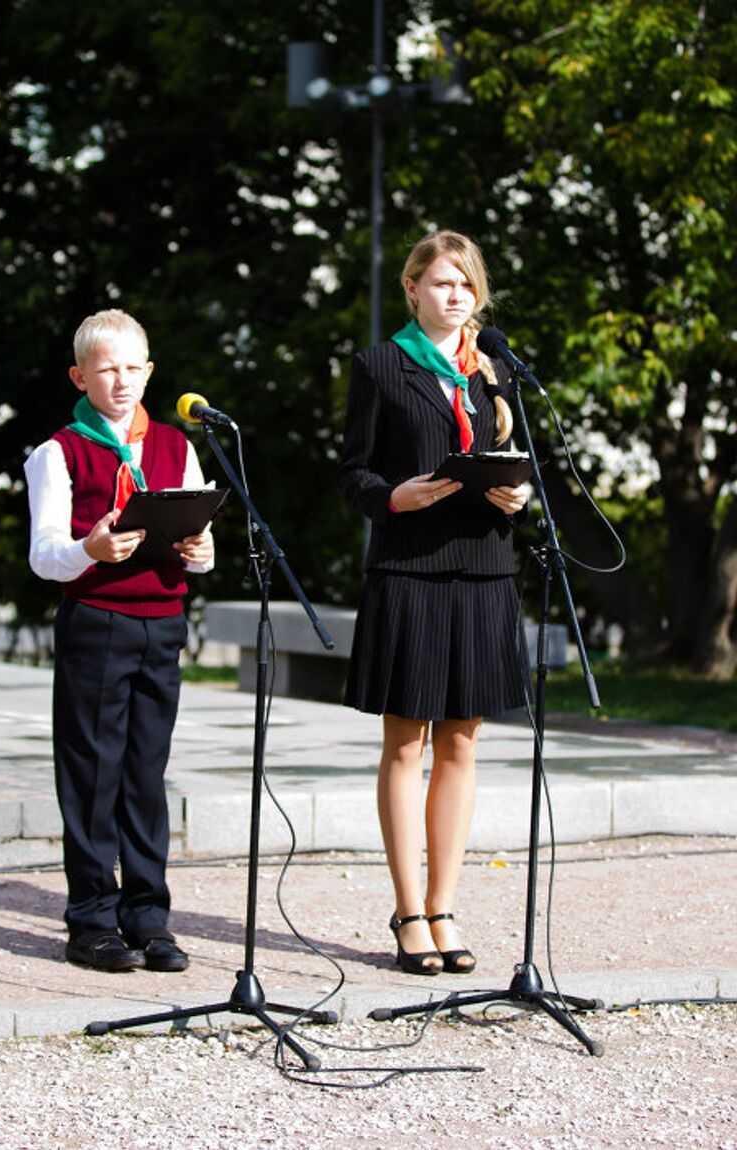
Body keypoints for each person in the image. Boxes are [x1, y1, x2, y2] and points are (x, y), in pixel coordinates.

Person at [339, 231, 530, 976]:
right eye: (441, 283)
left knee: (462, 742)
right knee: (406, 742)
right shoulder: (381, 365)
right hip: (410, 567)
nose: (454, 296)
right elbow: (351, 471)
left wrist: (518, 493)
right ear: (414, 287)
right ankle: (408, 910)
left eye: (465, 285)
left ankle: (447, 908)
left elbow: (521, 461)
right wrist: (393, 494)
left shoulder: (497, 369)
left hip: (484, 567)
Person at [25, 309, 215, 973]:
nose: (122, 380)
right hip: (98, 621)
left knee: (144, 775)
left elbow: (199, 556)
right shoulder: (58, 451)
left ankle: (148, 916)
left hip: (162, 624)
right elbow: (44, 554)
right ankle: (90, 920)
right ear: (80, 376)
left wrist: (199, 547)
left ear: (150, 371)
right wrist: (90, 547)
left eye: (134, 367)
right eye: (107, 369)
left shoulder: (174, 444)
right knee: (92, 773)